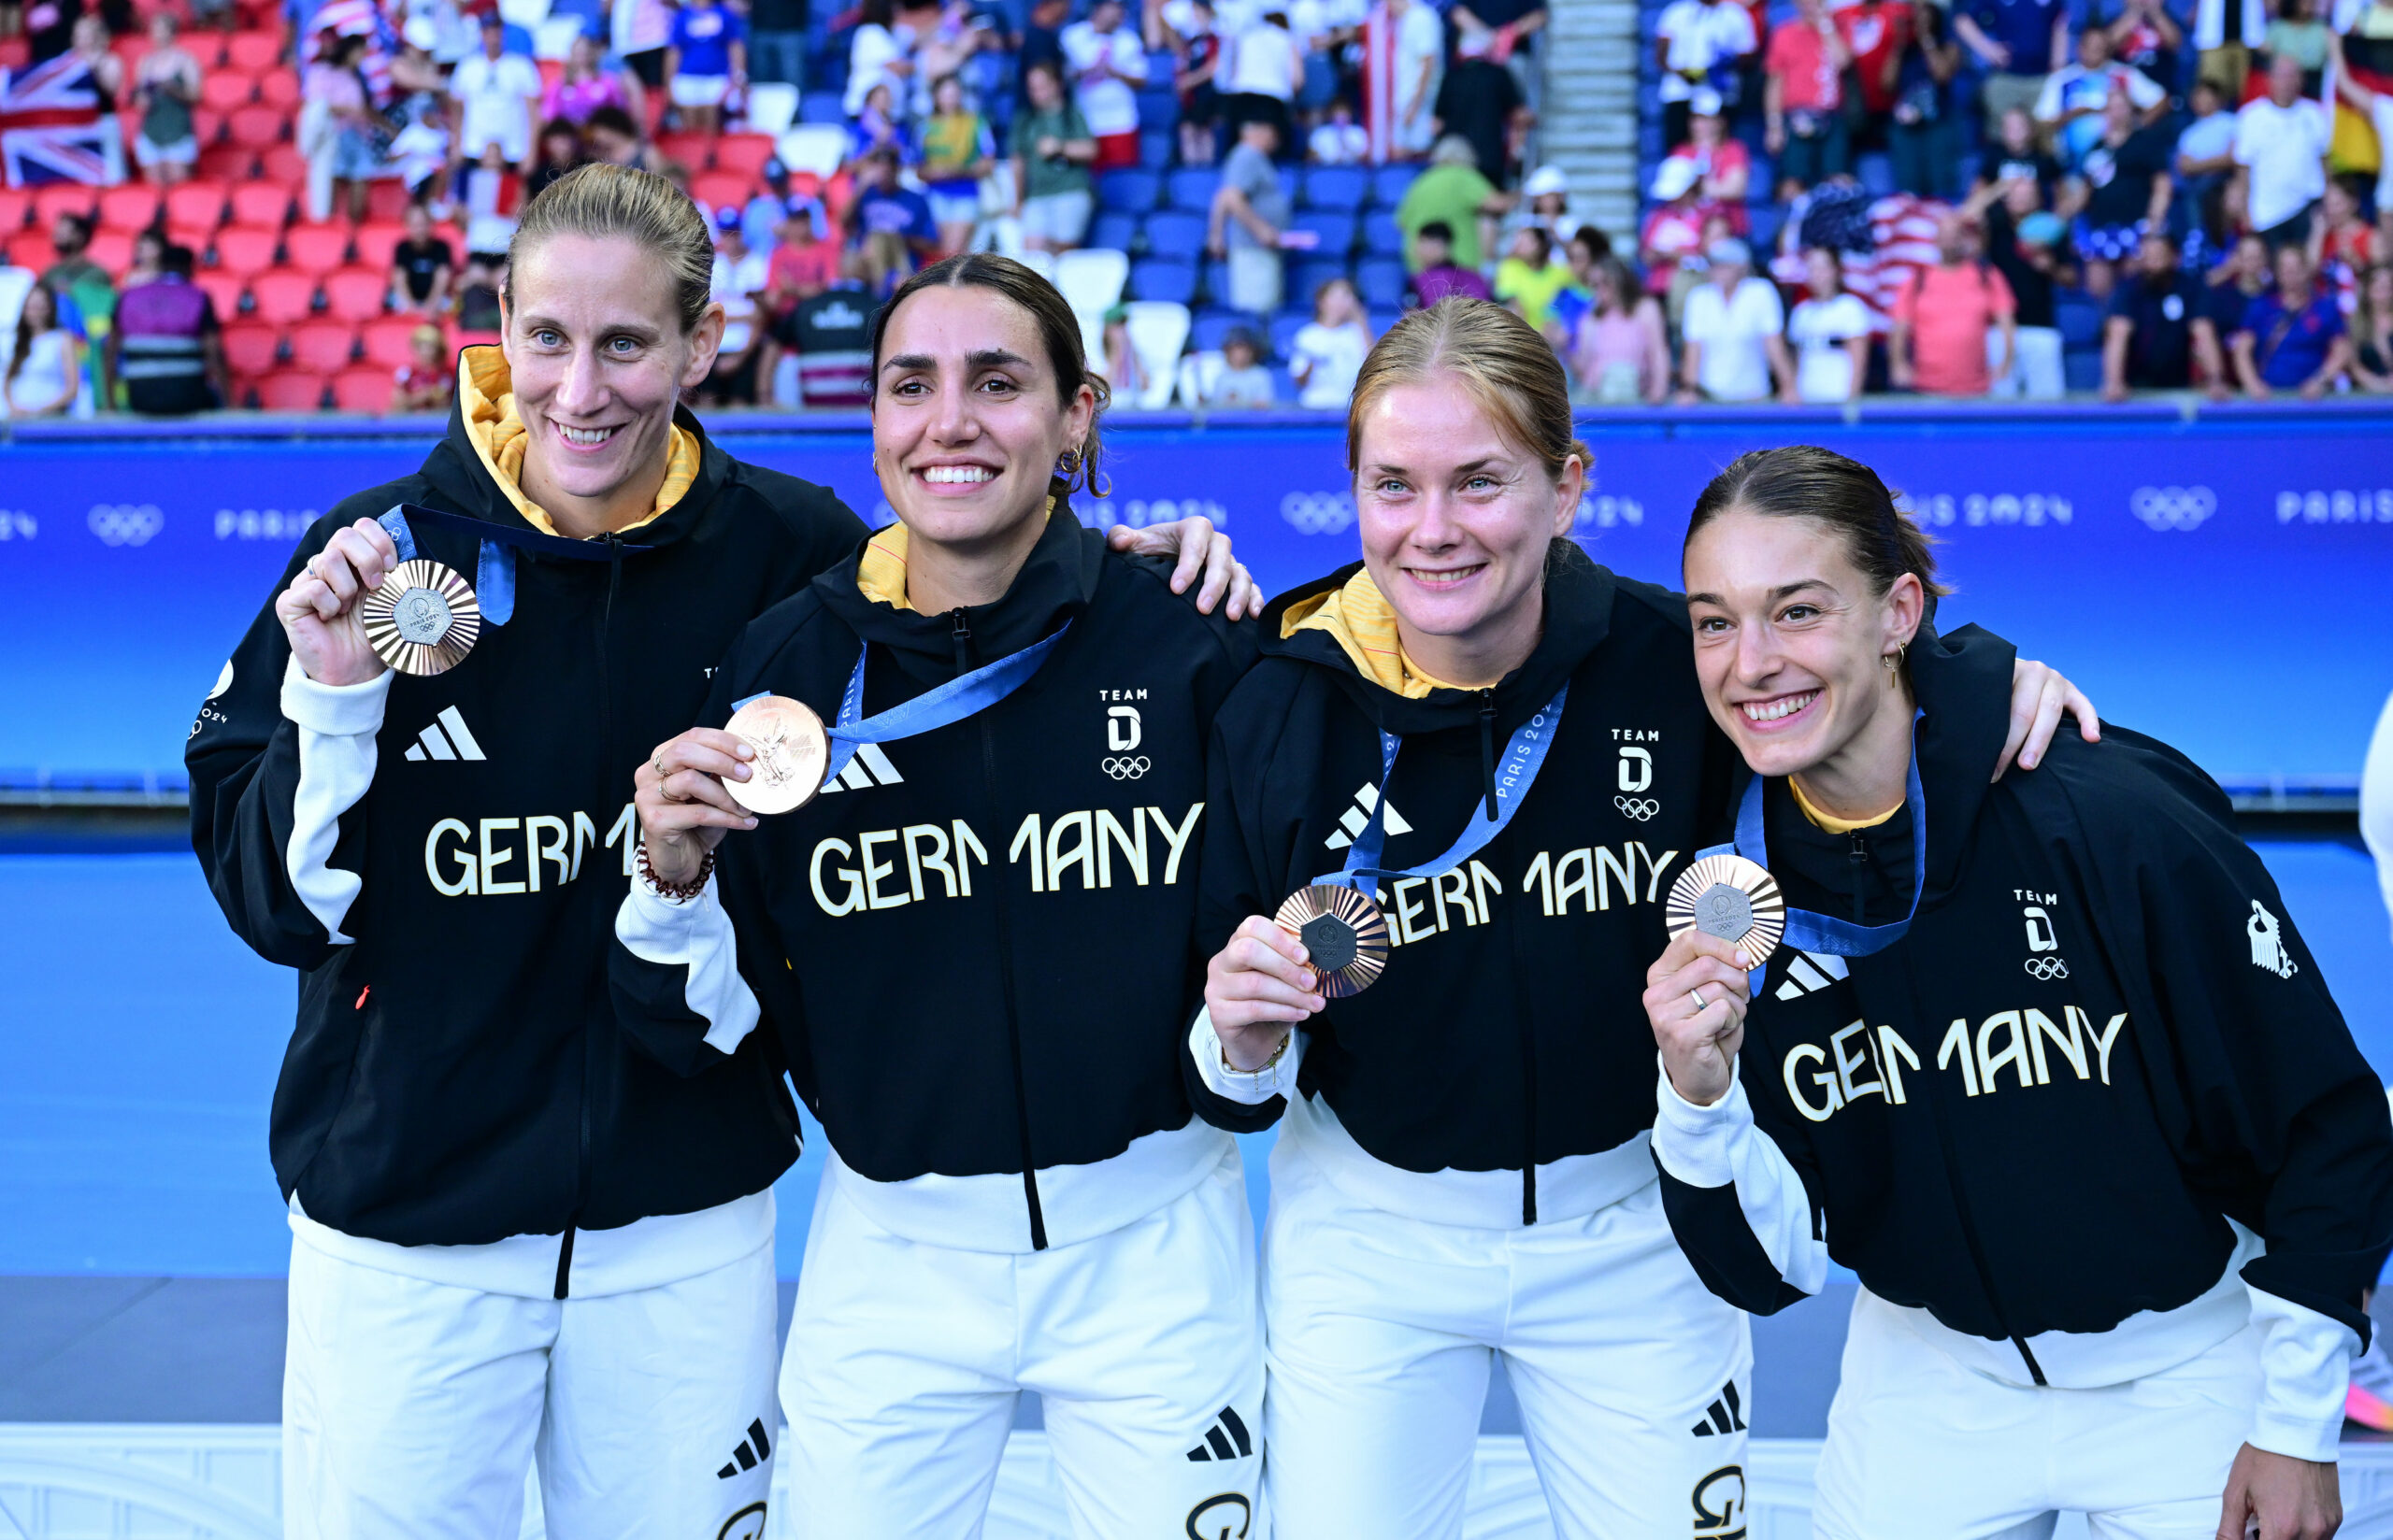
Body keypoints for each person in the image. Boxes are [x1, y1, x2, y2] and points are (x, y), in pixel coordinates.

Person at [185, 161, 1252, 1540]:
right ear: (499, 322)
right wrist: (331, 697)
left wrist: (1124, 563)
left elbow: (970, 599)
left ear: (701, 346)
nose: (580, 389)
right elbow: (273, 906)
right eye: (549, 338)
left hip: (684, 1231)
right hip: (406, 1224)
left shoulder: (787, 555)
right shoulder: (371, 564)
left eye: (627, 343)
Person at [1191, 300, 2095, 1540]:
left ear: (1569, 486)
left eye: (1481, 482)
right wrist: (1239, 1042)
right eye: (1392, 487)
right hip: (1366, 1243)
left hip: (1639, 1231)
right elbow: (1238, 1080)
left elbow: (1857, 682)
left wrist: (1987, 681)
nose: (1435, 530)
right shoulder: (1280, 700)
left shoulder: (1680, 660)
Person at [614, 252, 1266, 1540]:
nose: (949, 421)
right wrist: (669, 876)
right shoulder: (785, 667)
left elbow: (1262, 974)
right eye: (911, 385)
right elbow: (697, 1022)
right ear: (874, 419)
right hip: (889, 1262)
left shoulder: (1190, 637)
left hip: (1157, 1253)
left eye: (998, 382)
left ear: (1080, 413)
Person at [1646, 443, 2393, 1540]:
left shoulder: (2106, 817)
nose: (1750, 660)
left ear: (1899, 610)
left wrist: (2294, 1421)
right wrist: (1697, 1098)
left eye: (1796, 611)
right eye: (1714, 621)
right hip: (1923, 1390)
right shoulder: (1727, 890)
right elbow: (1763, 1272)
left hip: (2185, 1376)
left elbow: (2326, 1121)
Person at [1891, 211, 2015, 397]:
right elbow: (1899, 327)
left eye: (1955, 235)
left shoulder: (1987, 276)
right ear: (1935, 240)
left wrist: (2006, 364)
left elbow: (2007, 324)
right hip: (1927, 388)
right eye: (1945, 235)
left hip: (1977, 389)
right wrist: (1898, 364)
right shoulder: (1917, 280)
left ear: (1964, 239)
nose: (1950, 241)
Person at [2068, 87, 2173, 292]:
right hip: (2100, 226)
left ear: (2131, 110)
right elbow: (2085, 191)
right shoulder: (2096, 148)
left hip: (2137, 225)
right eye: (2111, 107)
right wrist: (2067, 218)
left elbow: (2162, 184)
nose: (2116, 112)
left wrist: (2154, 221)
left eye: (2121, 107)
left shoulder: (2145, 142)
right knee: (2098, 286)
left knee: (2132, 286)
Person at [2031, 25, 2164, 172]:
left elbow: (2160, 100)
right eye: (2091, 45)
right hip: (2070, 162)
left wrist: (2136, 125)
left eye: (2101, 46)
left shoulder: (2122, 74)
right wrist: (2077, 113)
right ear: (2080, 48)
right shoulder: (2062, 79)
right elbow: (2043, 122)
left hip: (2118, 163)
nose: (2096, 50)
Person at [111, 244, 225, 415]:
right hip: (188, 398)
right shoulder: (198, 297)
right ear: (190, 268)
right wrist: (230, 401)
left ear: (160, 266)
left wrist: (110, 404)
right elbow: (214, 352)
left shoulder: (127, 296)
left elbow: (110, 351)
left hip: (140, 398)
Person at [1677, 236, 1791, 404]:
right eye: (1713, 265)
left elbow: (1774, 345)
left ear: (1741, 267)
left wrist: (1788, 387)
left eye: (1724, 265)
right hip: (1710, 396)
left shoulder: (1761, 292)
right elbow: (1693, 349)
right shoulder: (1699, 297)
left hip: (1753, 395)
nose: (1717, 270)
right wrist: (1688, 389)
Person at [2232, 241, 2351, 399]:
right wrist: (2253, 385)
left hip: (2313, 399)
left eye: (2296, 268)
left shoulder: (2325, 307)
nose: (2290, 274)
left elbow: (2342, 351)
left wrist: (2319, 381)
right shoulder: (2261, 306)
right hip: (2269, 398)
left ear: (2306, 270)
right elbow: (2242, 351)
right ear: (2277, 272)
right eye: (2285, 269)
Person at [2235, 53, 2330, 249]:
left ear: (2301, 80)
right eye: (2282, 76)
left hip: (2309, 206)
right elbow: (2243, 169)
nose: (2287, 82)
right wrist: (2245, 210)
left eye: (2293, 76)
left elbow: (2325, 161)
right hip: (2267, 211)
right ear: (2270, 79)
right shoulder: (2251, 116)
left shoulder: (2315, 113)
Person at [1010, 60, 1097, 254]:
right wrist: (1017, 200)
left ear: (1057, 85)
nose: (1037, 93)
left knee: (1064, 252)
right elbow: (1018, 162)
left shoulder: (1072, 114)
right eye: (1033, 88)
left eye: (1042, 87)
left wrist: (1060, 147)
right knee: (1032, 257)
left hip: (1070, 191)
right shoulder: (1025, 120)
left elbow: (1091, 150)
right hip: (1037, 195)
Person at [1764, 0, 1852, 193]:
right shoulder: (1784, 34)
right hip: (1796, 117)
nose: (1813, 5)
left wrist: (1826, 27)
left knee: (1836, 178)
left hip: (1832, 117)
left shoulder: (1838, 30)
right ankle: (1795, 222)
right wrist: (1774, 125)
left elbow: (1843, 62)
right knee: (1794, 181)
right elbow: (1775, 84)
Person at [2099, 228, 2199, 399]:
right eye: (2146, 257)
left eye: (2158, 257)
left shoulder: (2190, 288)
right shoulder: (2128, 289)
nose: (2151, 263)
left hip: (2181, 385)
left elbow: (2203, 332)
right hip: (2136, 387)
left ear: (2176, 257)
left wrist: (2215, 379)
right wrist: (2114, 382)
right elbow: (2118, 334)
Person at [1210, 115, 1290, 316]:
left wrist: (1216, 234)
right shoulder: (1247, 155)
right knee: (1257, 310)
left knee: (1265, 306)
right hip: (1253, 246)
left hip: (1258, 248)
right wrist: (1261, 230)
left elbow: (1223, 195)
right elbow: (1231, 197)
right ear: (1260, 130)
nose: (1276, 138)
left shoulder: (1251, 157)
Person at [1653, 0, 1756, 148]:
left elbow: (1748, 56)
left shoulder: (1735, 15)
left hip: (1721, 94)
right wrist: (1684, 74)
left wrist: (1724, 65)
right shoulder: (1676, 12)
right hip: (1680, 94)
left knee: (1721, 149)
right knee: (1678, 150)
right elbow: (1661, 57)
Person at [1568, 252, 1669, 404]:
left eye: (1604, 282)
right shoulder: (1591, 318)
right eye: (1594, 285)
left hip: (1635, 394)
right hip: (1597, 395)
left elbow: (1658, 351)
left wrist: (1659, 388)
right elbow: (1583, 367)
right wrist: (1565, 346)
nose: (1599, 289)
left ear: (1618, 280)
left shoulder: (1645, 309)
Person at [1432, 28, 1526, 189]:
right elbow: (1519, 115)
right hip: (1491, 159)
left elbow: (1436, 123)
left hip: (1456, 161)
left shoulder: (1451, 77)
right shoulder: (1498, 73)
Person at [308, 33, 388, 223]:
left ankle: (355, 231)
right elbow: (317, 105)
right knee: (332, 182)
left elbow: (364, 109)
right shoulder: (323, 72)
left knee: (361, 178)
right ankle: (330, 230)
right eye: (361, 51)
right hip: (336, 134)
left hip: (360, 134)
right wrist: (349, 109)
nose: (364, 55)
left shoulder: (357, 76)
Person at [1956, 0, 2068, 134]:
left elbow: (2060, 26)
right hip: (2005, 78)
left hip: (2042, 79)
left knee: (2043, 135)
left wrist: (2058, 70)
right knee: (2002, 134)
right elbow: (1962, 21)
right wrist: (1989, 50)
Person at [1062, 0, 1150, 171]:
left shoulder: (1129, 40)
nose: (1120, 12)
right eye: (1115, 6)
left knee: (1121, 181)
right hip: (1084, 125)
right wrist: (1087, 71)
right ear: (1099, 8)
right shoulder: (1072, 37)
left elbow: (1142, 80)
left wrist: (1115, 72)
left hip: (1121, 123)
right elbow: (1059, 76)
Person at [451, 13, 541, 174]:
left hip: (512, 151)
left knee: (512, 197)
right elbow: (457, 110)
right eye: (488, 32)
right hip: (474, 148)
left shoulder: (522, 66)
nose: (493, 37)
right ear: (482, 34)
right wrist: (456, 144)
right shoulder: (467, 67)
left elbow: (533, 113)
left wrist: (531, 151)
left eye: (497, 32)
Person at [1887, 1, 1959, 198]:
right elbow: (1886, 83)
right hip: (1905, 126)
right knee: (1907, 186)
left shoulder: (1948, 44)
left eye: (1925, 18)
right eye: (1916, 19)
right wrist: (1899, 47)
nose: (1919, 23)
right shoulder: (1904, 49)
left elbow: (1942, 74)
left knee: (1940, 184)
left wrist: (1927, 40)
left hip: (1938, 124)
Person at [919, 73, 996, 256]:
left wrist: (957, 171)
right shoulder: (925, 127)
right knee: (943, 253)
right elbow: (918, 168)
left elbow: (988, 163)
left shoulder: (976, 123)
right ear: (936, 96)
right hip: (936, 196)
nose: (951, 98)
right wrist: (934, 173)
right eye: (945, 93)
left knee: (952, 251)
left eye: (954, 93)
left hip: (966, 194)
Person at [1785, 245, 1870, 404]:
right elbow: (1796, 360)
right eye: (1812, 268)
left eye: (1822, 268)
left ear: (1836, 271)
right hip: (1807, 399)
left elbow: (1859, 360)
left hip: (1838, 398)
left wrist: (1852, 398)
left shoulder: (1851, 308)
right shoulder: (1801, 312)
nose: (1817, 274)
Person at [2194, 230, 2272, 398]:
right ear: (2237, 259)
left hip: (2271, 380)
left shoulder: (2277, 296)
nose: (2253, 263)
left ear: (2266, 259)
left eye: (2257, 257)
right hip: (2228, 385)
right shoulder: (2221, 297)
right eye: (2247, 257)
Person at [1359, 0, 1440, 162]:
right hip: (1406, 103)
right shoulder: (1405, 20)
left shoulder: (1422, 17)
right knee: (1398, 153)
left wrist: (1415, 105)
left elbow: (1428, 62)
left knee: (1411, 156)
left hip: (1416, 106)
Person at [706, 206, 770, 404]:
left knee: (739, 405)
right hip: (714, 347)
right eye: (726, 233)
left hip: (745, 346)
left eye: (734, 233)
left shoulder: (758, 264)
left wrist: (741, 357)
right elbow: (704, 316)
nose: (730, 239)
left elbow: (762, 318)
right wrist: (743, 317)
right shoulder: (714, 265)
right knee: (706, 404)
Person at [131, 12, 203, 188]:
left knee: (180, 186)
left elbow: (196, 96)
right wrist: (143, 99)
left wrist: (173, 89)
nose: (157, 35)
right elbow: (139, 99)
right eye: (154, 30)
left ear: (172, 32)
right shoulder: (145, 62)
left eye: (161, 30)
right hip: (152, 129)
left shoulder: (186, 60)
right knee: (154, 188)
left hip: (177, 129)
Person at [1217, 7, 1301, 154]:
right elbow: (1297, 80)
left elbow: (1228, 75)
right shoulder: (1285, 38)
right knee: (1267, 156)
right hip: (1272, 100)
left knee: (1244, 154)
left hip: (1241, 99)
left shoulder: (1243, 37)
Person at [664, 0, 746, 136]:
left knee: (712, 117)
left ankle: (711, 155)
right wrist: (668, 84)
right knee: (689, 124)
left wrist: (738, 78)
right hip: (687, 77)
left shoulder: (725, 15)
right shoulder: (683, 16)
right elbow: (674, 52)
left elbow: (735, 47)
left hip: (717, 78)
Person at [1289, 274, 1372, 408]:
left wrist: (1361, 321)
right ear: (1321, 302)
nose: (1342, 302)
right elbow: (1299, 380)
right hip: (1314, 407)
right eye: (1336, 297)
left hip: (1349, 407)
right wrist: (1311, 365)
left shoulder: (1356, 331)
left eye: (1346, 296)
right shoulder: (1307, 335)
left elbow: (1373, 365)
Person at [1667, 90, 1751, 221]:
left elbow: (1735, 189)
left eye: (1708, 118)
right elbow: (1673, 193)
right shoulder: (1681, 151)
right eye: (1698, 118)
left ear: (1721, 122)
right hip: (1691, 225)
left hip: (1728, 225)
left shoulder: (1733, 149)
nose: (1702, 124)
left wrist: (1695, 188)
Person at [5, 282, 79, 418]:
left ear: (50, 309)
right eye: (32, 307)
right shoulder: (14, 340)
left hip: (49, 422)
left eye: (41, 307)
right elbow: (6, 382)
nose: (36, 313)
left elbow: (72, 389)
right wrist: (13, 409)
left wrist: (40, 411)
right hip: (16, 420)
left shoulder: (61, 339)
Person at [542, 29, 643, 128]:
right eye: (578, 53)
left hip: (600, 136)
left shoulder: (607, 82)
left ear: (591, 54)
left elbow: (618, 111)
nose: (581, 57)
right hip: (570, 136)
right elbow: (550, 114)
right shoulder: (560, 84)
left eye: (585, 53)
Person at [1492, 225, 1569, 331]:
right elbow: (1515, 306)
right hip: (1523, 332)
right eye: (1518, 241)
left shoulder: (1561, 273)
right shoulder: (1509, 267)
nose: (1518, 245)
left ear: (1541, 245)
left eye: (1525, 242)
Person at [388, 202, 457, 318]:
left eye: (423, 224)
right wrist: (410, 308)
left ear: (431, 225)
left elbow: (443, 278)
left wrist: (430, 306)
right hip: (408, 299)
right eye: (415, 225)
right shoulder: (402, 248)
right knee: (396, 302)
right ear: (407, 226)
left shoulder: (442, 247)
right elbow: (399, 278)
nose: (420, 230)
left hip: (436, 299)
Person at [1410, 220, 1493, 305]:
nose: (1422, 249)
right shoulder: (1470, 275)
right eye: (1422, 242)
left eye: (1428, 243)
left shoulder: (1437, 278)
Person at [390, 320, 452, 411]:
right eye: (420, 347)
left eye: (430, 347)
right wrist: (423, 396)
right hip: (411, 420)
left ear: (438, 349)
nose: (425, 352)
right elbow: (397, 403)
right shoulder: (405, 372)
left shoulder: (447, 374)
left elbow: (445, 402)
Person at [2349, 264, 2393, 392]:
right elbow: (2353, 365)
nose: (2384, 291)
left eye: (2388, 286)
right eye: (2378, 286)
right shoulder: (2355, 323)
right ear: (2367, 289)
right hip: (2367, 394)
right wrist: (2376, 384)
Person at [524, 118, 583, 200]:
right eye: (557, 141)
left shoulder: (584, 169)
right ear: (547, 143)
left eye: (565, 139)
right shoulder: (538, 175)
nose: (563, 147)